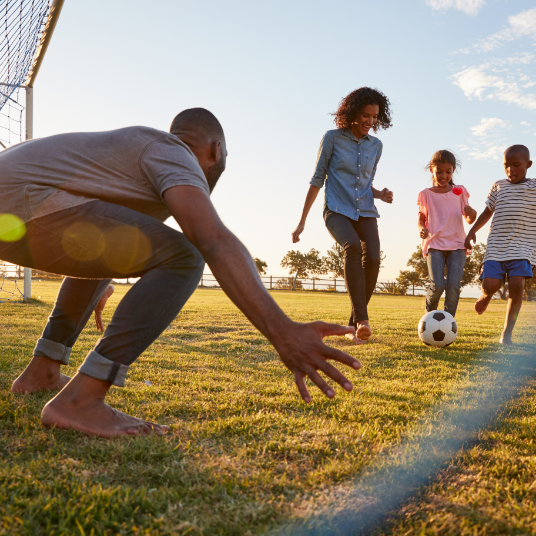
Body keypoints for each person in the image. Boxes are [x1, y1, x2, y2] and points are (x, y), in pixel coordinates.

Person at [0, 108, 362, 438]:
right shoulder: (174, 152)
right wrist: (282, 329)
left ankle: (41, 373)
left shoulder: (142, 158)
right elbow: (213, 240)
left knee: (124, 244)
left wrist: (101, 276)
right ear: (216, 150)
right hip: (20, 200)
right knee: (185, 256)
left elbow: (96, 235)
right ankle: (80, 401)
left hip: (16, 205)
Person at [291, 87, 393, 344]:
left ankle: (353, 324)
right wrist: (302, 220)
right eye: (366, 115)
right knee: (352, 247)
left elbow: (365, 183)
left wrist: (380, 194)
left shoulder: (376, 146)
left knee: (372, 258)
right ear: (353, 113)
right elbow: (317, 179)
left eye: (374, 117)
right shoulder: (332, 138)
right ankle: (363, 320)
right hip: (336, 209)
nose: (370, 122)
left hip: (366, 211)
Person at [465, 144, 535, 345]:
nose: (510, 170)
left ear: (528, 164)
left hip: (523, 247)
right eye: (506, 166)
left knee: (516, 285)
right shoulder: (499, 185)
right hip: (497, 245)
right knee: (491, 285)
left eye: (516, 165)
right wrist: (471, 231)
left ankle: (507, 333)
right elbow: (487, 212)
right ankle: (486, 295)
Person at [417, 150, 477, 317]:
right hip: (434, 244)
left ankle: (448, 321)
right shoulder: (426, 194)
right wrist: (422, 229)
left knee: (453, 286)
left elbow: (469, 220)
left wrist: (472, 213)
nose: (444, 176)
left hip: (457, 244)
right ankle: (429, 318)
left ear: (453, 170)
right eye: (439, 172)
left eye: (448, 172)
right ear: (431, 170)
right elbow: (420, 220)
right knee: (437, 285)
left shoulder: (459, 192)